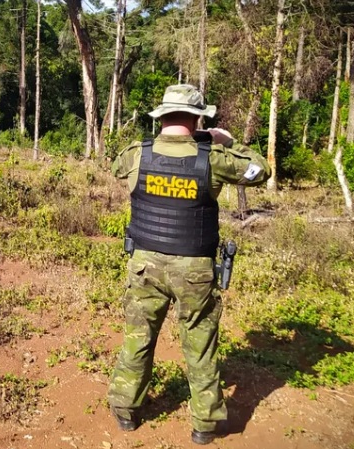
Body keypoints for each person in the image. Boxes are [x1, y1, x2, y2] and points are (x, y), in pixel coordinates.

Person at [107, 84, 271, 445]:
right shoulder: (212, 156)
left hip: (145, 265)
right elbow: (260, 170)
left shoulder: (137, 154)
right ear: (198, 119)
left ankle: (125, 410)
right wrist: (226, 141)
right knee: (200, 344)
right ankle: (205, 423)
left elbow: (116, 166)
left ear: (162, 116)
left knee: (138, 337)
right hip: (194, 270)